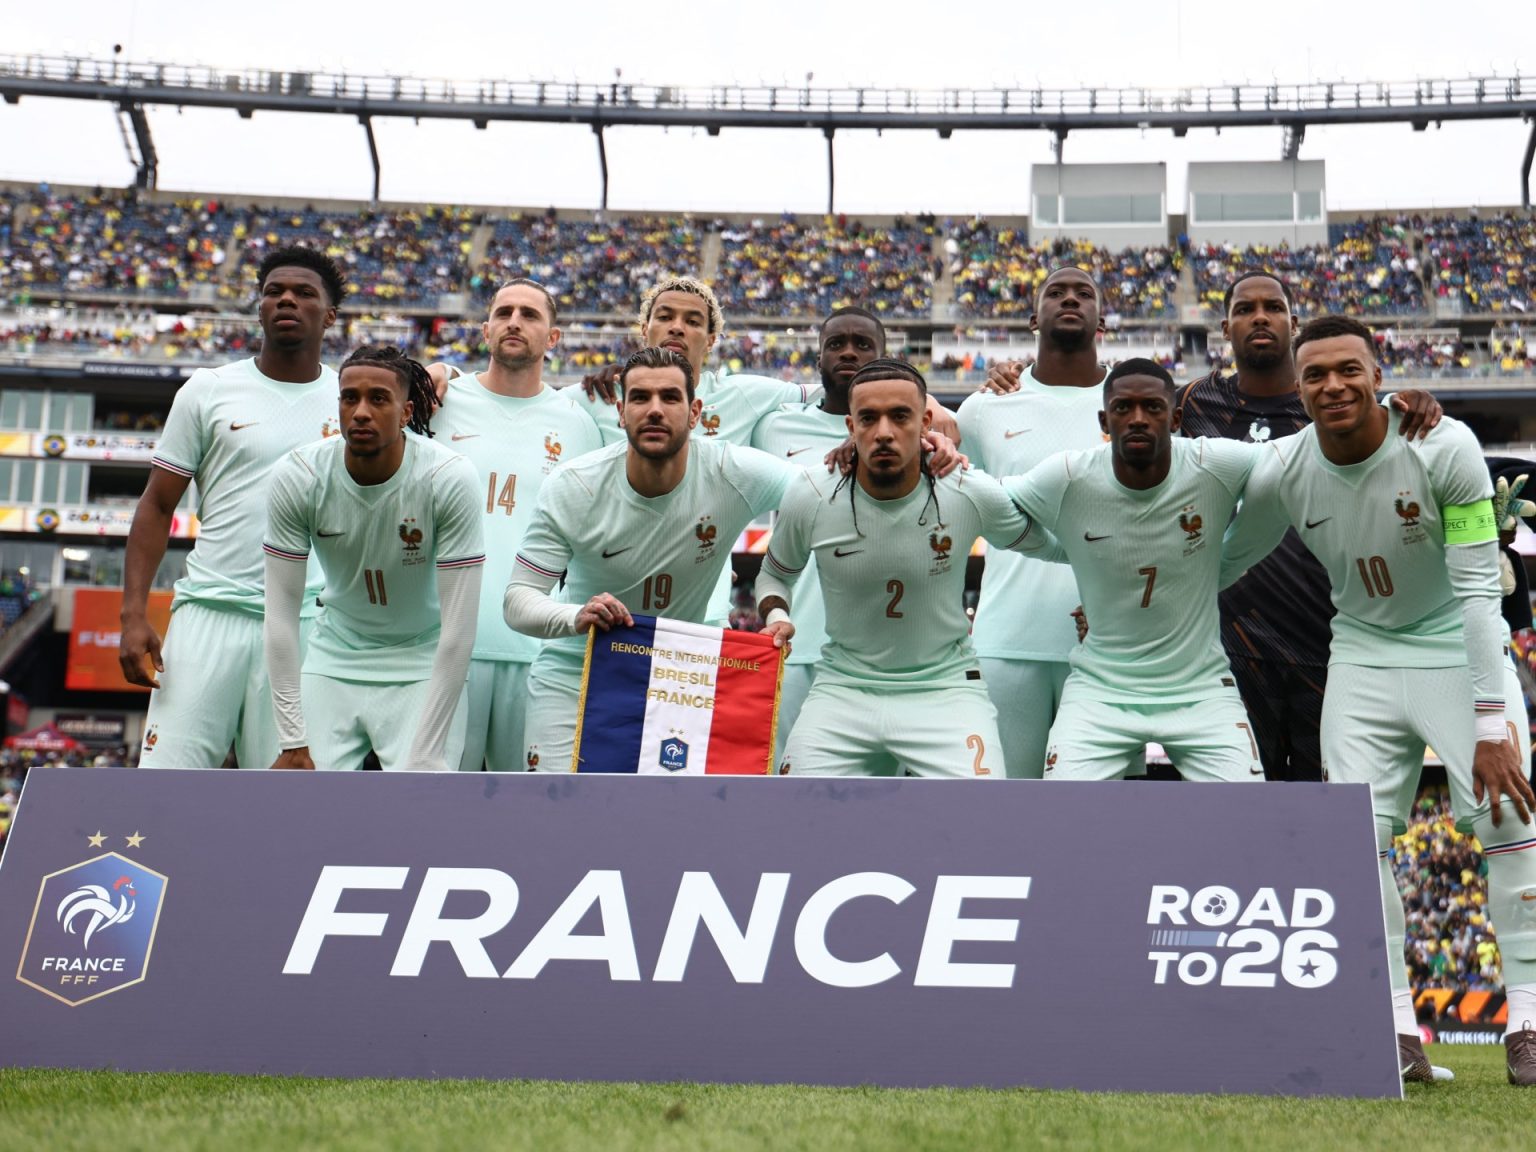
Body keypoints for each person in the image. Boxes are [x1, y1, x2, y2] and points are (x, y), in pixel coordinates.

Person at [1221, 315, 1536, 1086]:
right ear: (1298, 388)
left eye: (1348, 370)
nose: (1333, 385)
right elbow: (1227, 557)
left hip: (1453, 648)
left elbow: (1476, 589)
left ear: (1378, 374)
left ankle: (1527, 1023)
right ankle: (1394, 1030)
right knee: (1355, 847)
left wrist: (1489, 725)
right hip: (1360, 654)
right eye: (1316, 374)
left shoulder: (1444, 445)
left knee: (1511, 821)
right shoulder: (1282, 467)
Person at [1177, 271, 1443, 781]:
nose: (1260, 317)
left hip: (1330, 641)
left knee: (1329, 807)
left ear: (1294, 322)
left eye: (1273, 307)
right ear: (1225, 328)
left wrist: (1419, 402)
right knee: (1239, 806)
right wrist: (1019, 378)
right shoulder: (1190, 405)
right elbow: (1118, 416)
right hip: (1230, 649)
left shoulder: (1338, 406)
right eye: (1245, 309)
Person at [756, 359, 1057, 778]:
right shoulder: (811, 493)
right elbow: (775, 574)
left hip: (945, 690)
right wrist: (776, 614)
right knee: (796, 812)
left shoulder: (967, 490)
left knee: (982, 814)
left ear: (925, 422)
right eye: (868, 418)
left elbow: (1055, 548)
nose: (884, 432)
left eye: (900, 416)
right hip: (843, 690)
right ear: (850, 426)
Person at [504, 346, 793, 771]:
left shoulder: (734, 472)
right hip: (576, 673)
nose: (655, 409)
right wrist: (575, 615)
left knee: (668, 809)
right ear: (621, 412)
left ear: (695, 413)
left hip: (679, 677)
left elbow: (822, 495)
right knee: (560, 806)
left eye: (670, 397)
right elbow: (518, 600)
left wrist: (776, 598)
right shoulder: (574, 486)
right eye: (640, 398)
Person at [122, 245, 345, 769]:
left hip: (308, 622)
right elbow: (157, 504)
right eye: (273, 292)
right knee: (165, 789)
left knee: (288, 801)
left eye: (303, 293)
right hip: (209, 613)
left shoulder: (350, 397)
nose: (286, 299)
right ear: (260, 307)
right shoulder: (209, 389)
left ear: (329, 315)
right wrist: (133, 615)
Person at [1002, 358, 1263, 782]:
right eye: (1123, 408)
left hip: (1201, 690)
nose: (1138, 418)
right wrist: (1058, 550)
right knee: (1064, 812)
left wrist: (1228, 559)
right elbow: (993, 501)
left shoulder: (1215, 463)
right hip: (1100, 691)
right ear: (1104, 420)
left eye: (1153, 407)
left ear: (1175, 418)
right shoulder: (1069, 475)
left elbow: (1292, 463)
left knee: (1245, 813)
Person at [263, 346, 484, 773]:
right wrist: (292, 739)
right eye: (350, 398)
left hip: (421, 660)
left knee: (421, 803)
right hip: (334, 656)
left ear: (406, 413)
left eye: (379, 399)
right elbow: (280, 616)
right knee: (301, 804)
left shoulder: (448, 477)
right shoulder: (299, 475)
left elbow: (459, 631)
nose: (361, 412)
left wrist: (427, 752)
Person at [430, 280, 605, 771]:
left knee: (529, 808)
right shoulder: (439, 402)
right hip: (443, 645)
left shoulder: (578, 424)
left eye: (529, 315)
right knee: (437, 805)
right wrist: (437, 369)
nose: (514, 321)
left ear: (554, 338)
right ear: (485, 330)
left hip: (537, 650)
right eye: (503, 312)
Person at [957, 266, 1116, 778]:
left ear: (1101, 321)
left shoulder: (1132, 405)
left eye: (1083, 293)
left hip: (1108, 645)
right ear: (1033, 318)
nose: (1070, 299)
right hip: (1006, 638)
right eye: (1056, 293)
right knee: (1005, 806)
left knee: (1095, 812)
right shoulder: (985, 407)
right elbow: (950, 482)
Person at [750, 307, 888, 756]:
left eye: (862, 344)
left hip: (882, 659)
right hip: (794, 646)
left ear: (884, 357)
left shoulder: (911, 434)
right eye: (836, 344)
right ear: (818, 358)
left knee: (878, 793)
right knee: (786, 784)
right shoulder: (773, 426)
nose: (848, 352)